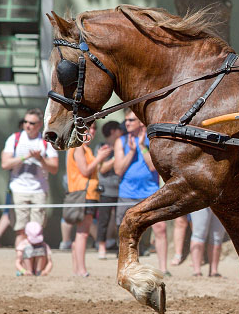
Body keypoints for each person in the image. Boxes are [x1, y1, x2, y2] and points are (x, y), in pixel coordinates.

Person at [115, 109, 168, 272]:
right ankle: (129, 267)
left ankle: (163, 268)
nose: (127, 123)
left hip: (149, 193)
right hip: (127, 194)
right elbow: (118, 170)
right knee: (127, 233)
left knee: (160, 229)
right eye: (126, 121)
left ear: (140, 123)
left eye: (131, 120)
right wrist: (131, 151)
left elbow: (153, 167)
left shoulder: (150, 141)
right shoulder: (121, 141)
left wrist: (141, 146)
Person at [1, 108, 59, 252]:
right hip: (18, 190)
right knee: (20, 230)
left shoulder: (45, 142)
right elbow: (5, 164)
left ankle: (33, 265)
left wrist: (40, 159)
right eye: (25, 122)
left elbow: (54, 168)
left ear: (39, 125)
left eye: (32, 123)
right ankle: (21, 265)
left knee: (36, 231)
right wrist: (24, 157)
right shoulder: (14, 139)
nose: (27, 125)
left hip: (39, 191)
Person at [66, 123, 111, 277]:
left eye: (93, 128)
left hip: (88, 194)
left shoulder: (86, 149)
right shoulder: (78, 147)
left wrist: (98, 157)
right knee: (83, 233)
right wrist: (99, 158)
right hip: (83, 194)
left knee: (81, 233)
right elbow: (85, 170)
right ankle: (81, 269)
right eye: (87, 128)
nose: (90, 131)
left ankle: (77, 269)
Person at [95, 120, 123, 259]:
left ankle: (120, 248)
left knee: (121, 222)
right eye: (119, 130)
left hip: (121, 190)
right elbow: (102, 169)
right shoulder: (102, 147)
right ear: (113, 131)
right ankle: (101, 247)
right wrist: (115, 158)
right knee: (103, 221)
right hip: (106, 190)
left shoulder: (123, 146)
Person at [188, 207, 225, 277]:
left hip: (221, 201)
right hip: (201, 201)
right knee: (198, 235)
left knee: (217, 237)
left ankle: (214, 271)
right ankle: (196, 271)